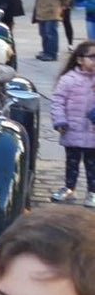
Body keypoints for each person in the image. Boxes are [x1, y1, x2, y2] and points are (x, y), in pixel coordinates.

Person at [49, 41, 95, 207]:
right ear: (80, 60)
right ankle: (69, 188)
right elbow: (57, 101)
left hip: (92, 131)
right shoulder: (68, 80)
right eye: (92, 57)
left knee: (92, 164)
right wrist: (60, 120)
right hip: (72, 129)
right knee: (72, 162)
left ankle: (92, 192)